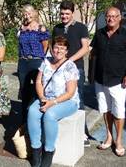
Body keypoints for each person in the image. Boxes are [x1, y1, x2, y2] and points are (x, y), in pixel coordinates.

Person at [91, 7, 126, 157]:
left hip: (118, 81)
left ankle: (118, 141)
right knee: (105, 110)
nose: (110, 19)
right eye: (108, 16)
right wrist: (91, 74)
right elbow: (93, 53)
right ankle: (109, 136)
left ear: (119, 18)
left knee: (118, 112)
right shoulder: (99, 34)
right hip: (100, 80)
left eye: (113, 16)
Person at [28, 36, 79, 167]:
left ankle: (49, 150)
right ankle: (35, 149)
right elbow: (39, 81)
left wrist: (52, 103)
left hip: (67, 101)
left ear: (67, 51)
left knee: (50, 115)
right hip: (46, 98)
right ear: (52, 48)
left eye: (62, 48)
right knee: (32, 112)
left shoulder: (70, 66)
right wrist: (42, 98)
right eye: (56, 47)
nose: (58, 50)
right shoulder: (45, 62)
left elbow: (70, 93)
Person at [52, 0, 90, 146]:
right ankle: (64, 131)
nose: (64, 16)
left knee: (78, 98)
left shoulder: (81, 27)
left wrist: (68, 61)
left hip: (76, 69)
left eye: (67, 13)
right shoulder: (57, 28)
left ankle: (83, 133)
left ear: (72, 13)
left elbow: (85, 48)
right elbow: (53, 47)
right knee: (60, 97)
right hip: (59, 69)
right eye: (62, 13)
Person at [17, 4, 50, 123]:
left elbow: (45, 46)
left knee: (38, 90)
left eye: (29, 12)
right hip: (23, 62)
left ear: (34, 13)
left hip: (36, 61)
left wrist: (42, 60)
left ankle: (38, 117)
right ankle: (24, 120)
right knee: (24, 90)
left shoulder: (40, 28)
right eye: (25, 13)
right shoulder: (21, 28)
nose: (27, 15)